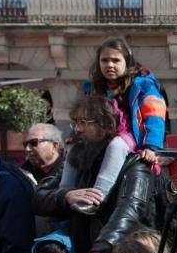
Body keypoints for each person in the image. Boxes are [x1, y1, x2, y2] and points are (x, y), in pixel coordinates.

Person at [34, 94, 158, 253]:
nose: (77, 129)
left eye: (84, 122)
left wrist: (102, 250)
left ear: (104, 124)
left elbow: (130, 209)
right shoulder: (78, 156)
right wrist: (65, 196)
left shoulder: (135, 163)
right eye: (75, 122)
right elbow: (39, 197)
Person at [64, 38, 165, 214]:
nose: (110, 65)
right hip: (102, 135)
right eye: (105, 60)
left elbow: (154, 115)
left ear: (127, 62)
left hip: (130, 134)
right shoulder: (93, 88)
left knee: (117, 145)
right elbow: (84, 116)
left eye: (116, 60)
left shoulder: (144, 86)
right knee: (74, 147)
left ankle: (98, 197)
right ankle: (64, 191)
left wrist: (151, 146)